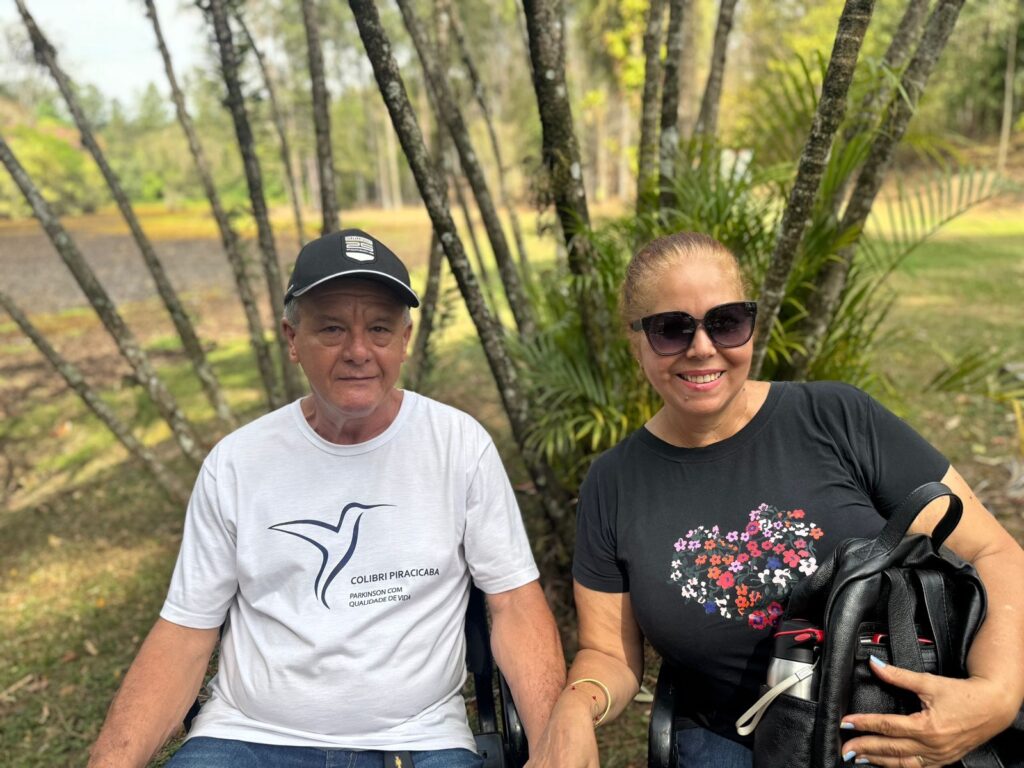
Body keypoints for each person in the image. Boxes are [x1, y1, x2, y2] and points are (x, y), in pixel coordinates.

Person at [526, 232, 1024, 768]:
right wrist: (574, 709)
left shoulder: (837, 418)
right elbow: (608, 653)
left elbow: (994, 553)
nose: (701, 347)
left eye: (726, 321)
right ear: (637, 342)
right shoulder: (614, 481)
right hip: (732, 741)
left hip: (893, 728)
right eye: (671, 329)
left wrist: (995, 695)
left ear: (752, 325)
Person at [88, 228, 566, 768]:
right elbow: (184, 633)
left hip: (416, 741)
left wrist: (555, 742)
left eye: (380, 329)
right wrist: (110, 759)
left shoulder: (459, 447)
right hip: (247, 737)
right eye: (333, 328)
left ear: (405, 339)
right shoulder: (237, 463)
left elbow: (514, 603)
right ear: (293, 339)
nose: (359, 351)